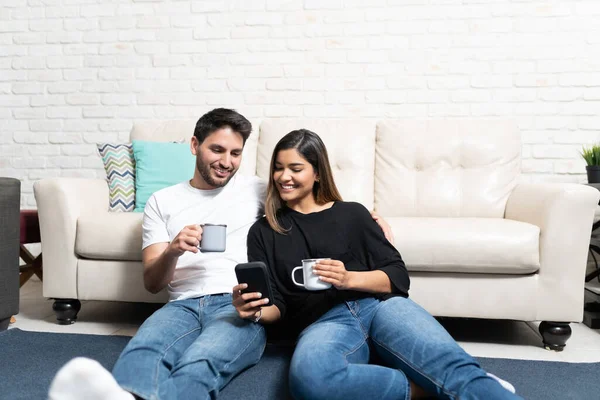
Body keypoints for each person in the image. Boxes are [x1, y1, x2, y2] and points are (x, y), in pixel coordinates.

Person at [48, 110, 393, 400]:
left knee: (202, 362)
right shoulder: (162, 201)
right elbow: (152, 283)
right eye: (218, 150)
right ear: (195, 145)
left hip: (238, 304)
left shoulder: (260, 188)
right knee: (143, 351)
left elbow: (319, 206)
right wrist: (172, 250)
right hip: (181, 304)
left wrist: (371, 221)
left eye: (236, 153)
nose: (227, 162)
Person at [232, 129, 522, 400]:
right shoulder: (264, 231)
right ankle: (427, 387)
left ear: (318, 173)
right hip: (323, 324)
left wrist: (349, 279)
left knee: (454, 368)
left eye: (296, 169)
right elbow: (277, 305)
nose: (284, 177)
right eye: (278, 168)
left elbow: (397, 276)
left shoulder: (353, 214)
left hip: (381, 306)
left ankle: (468, 383)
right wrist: (255, 311)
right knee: (311, 382)